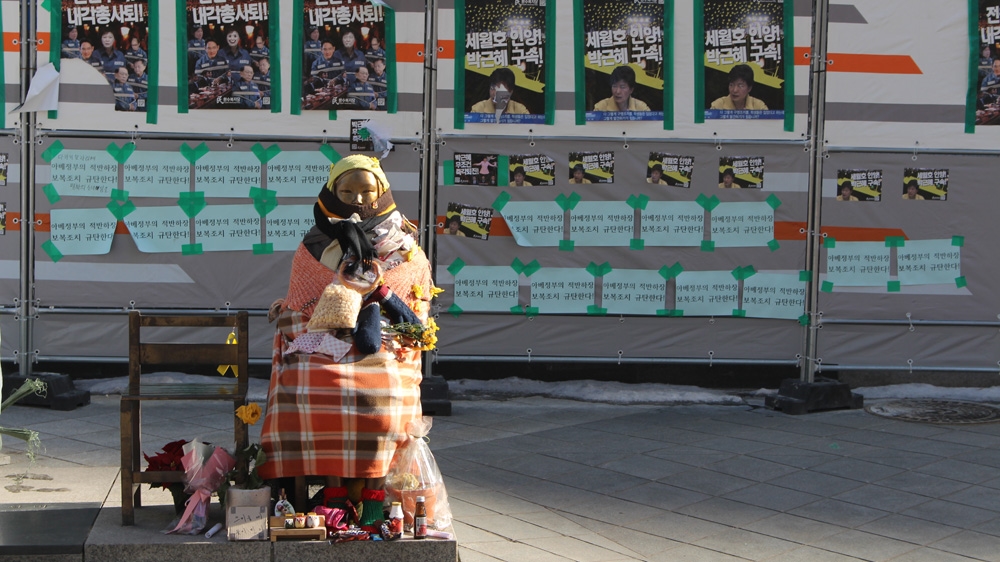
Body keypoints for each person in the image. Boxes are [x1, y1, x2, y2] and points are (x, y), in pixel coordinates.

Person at [258, 154, 434, 528]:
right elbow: (305, 298)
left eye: (366, 190)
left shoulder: (403, 241)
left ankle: (372, 497)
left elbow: (413, 300)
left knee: (380, 401)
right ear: (332, 191)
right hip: (326, 337)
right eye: (347, 190)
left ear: (382, 191)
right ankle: (335, 495)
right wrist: (295, 308)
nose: (356, 198)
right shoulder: (316, 239)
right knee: (314, 385)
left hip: (383, 342)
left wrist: (378, 297)